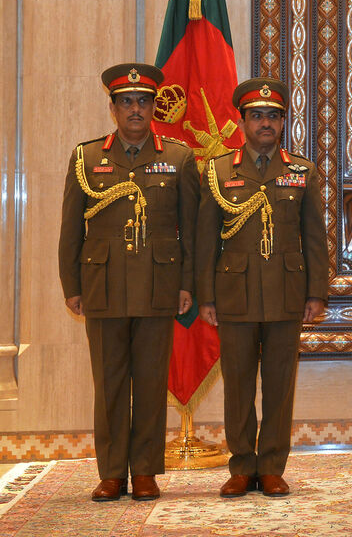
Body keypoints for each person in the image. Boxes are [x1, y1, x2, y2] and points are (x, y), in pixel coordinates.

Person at [58, 63, 198, 502]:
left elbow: (190, 229)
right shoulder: (87, 157)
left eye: (143, 101)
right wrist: (72, 285)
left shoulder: (178, 157)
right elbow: (70, 229)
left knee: (152, 382)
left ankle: (145, 472)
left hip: (159, 286)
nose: (135, 109)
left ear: (155, 107)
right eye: (126, 102)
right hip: (103, 286)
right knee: (110, 382)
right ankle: (112, 472)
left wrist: (187, 284)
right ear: (114, 108)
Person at [196, 78, 327, 498]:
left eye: (273, 116)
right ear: (243, 121)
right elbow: (205, 239)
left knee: (279, 384)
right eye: (257, 115)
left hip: (287, 295)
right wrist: (206, 297)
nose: (265, 123)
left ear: (282, 121)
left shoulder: (301, 171)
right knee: (237, 385)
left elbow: (314, 238)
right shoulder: (218, 170)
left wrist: (316, 293)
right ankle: (241, 466)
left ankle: (271, 466)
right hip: (233, 295)